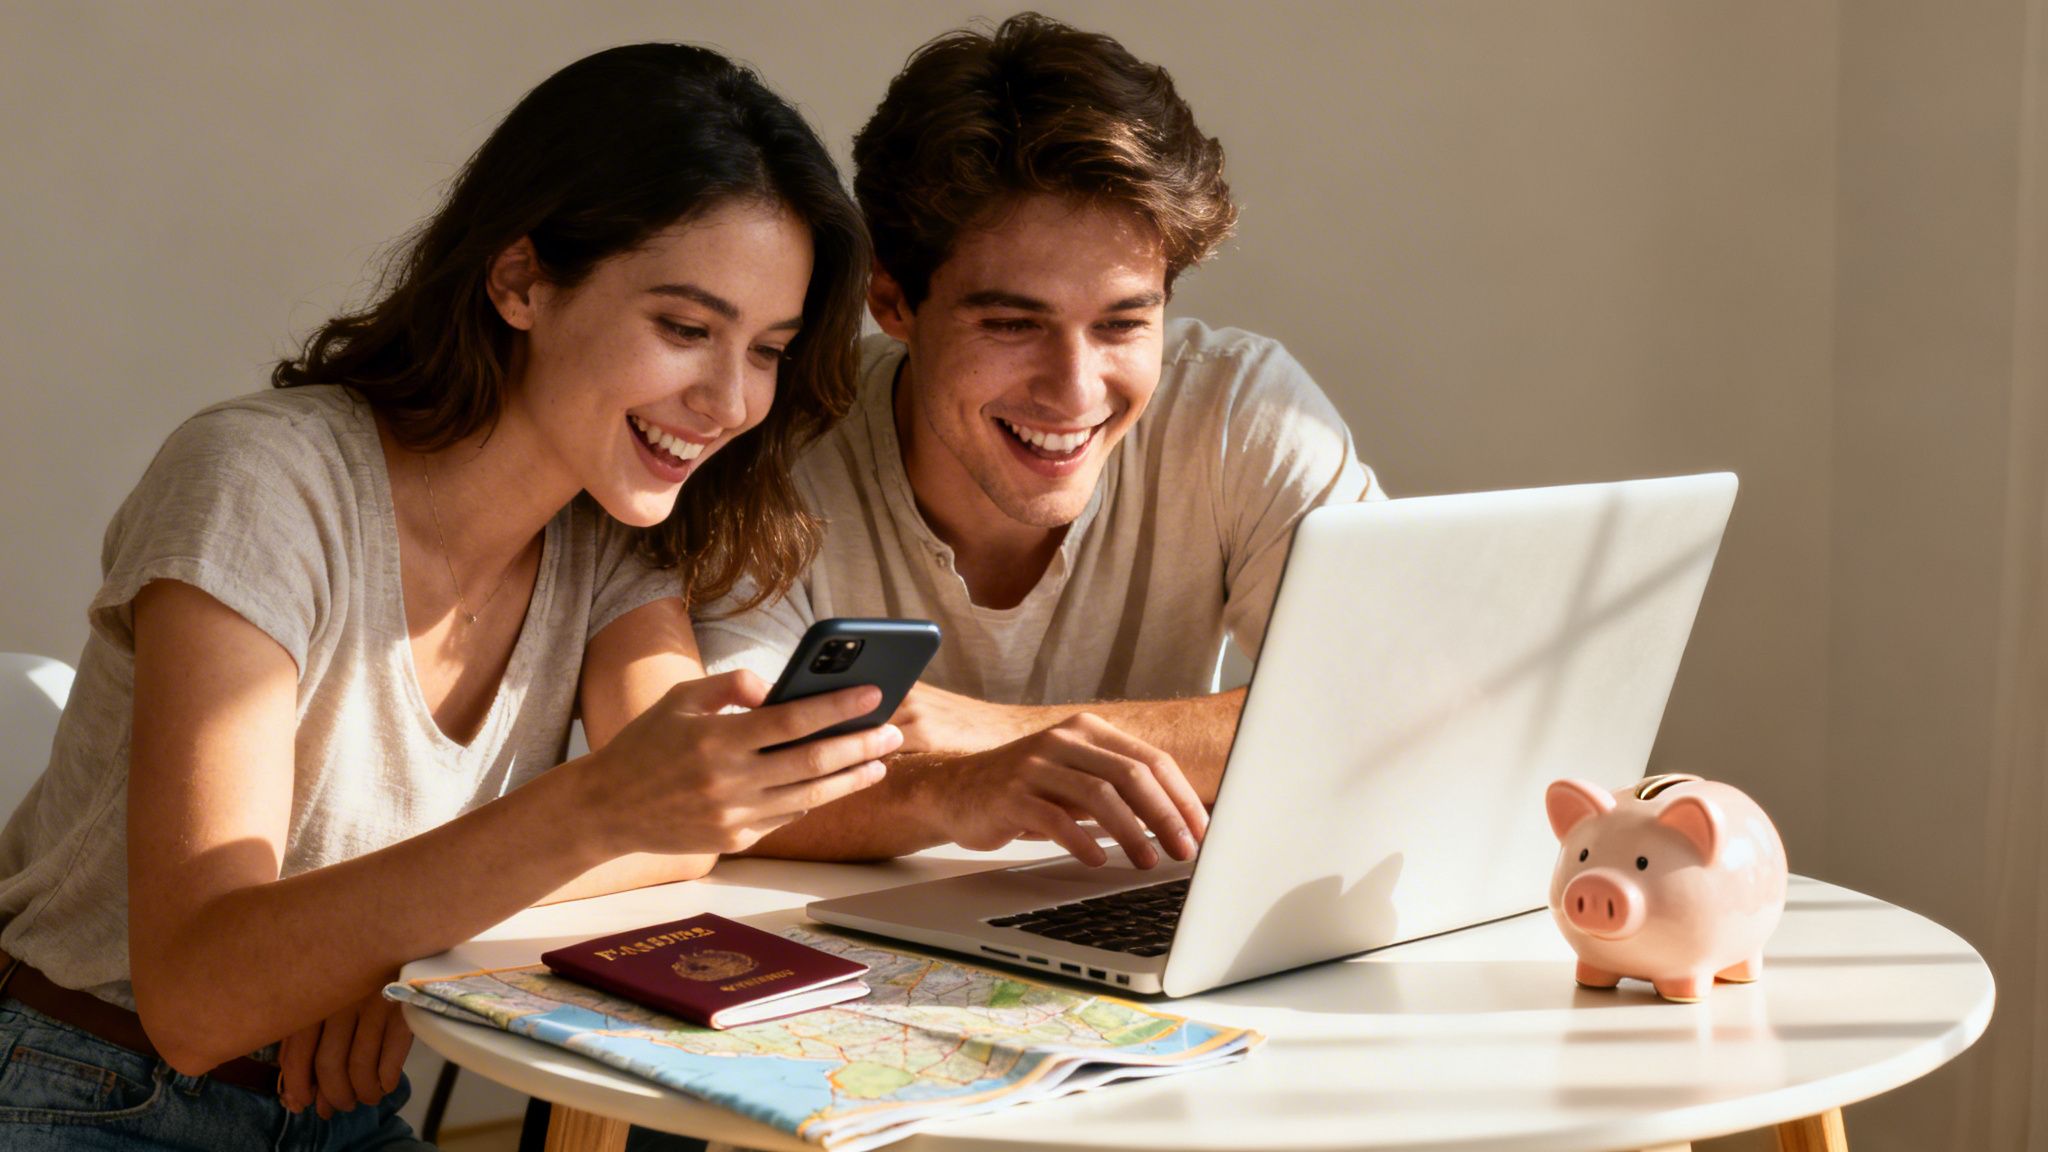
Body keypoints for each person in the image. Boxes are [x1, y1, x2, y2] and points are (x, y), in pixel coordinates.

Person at [0, 43, 896, 1151]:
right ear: (519, 279)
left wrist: (369, 952)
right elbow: (197, 996)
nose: (727, 400)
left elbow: (680, 836)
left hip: (340, 1104)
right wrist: (586, 814)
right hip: (91, 1086)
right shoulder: (259, 484)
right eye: (683, 328)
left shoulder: (610, 533)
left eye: (766, 349)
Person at [695, 13, 1382, 870]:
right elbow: (720, 791)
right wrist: (957, 788)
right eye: (1014, 324)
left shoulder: (1243, 412)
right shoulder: (770, 445)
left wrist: (1004, 734)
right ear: (892, 301)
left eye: (1123, 323)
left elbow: (1399, 699)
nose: (1076, 389)